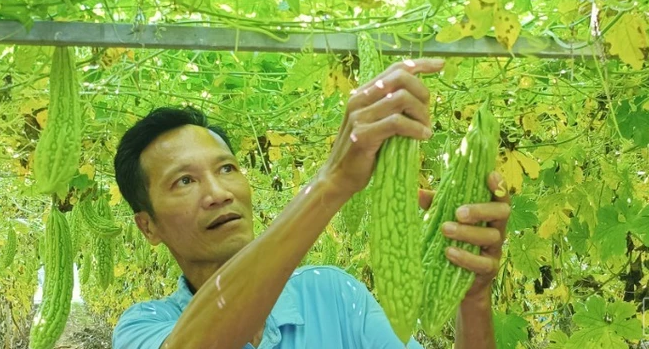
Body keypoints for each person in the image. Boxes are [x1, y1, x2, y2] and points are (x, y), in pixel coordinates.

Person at [111, 58, 512, 348]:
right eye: (184, 181)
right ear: (148, 227)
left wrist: (472, 298)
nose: (219, 193)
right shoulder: (143, 326)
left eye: (228, 168)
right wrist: (332, 182)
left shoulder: (335, 296)